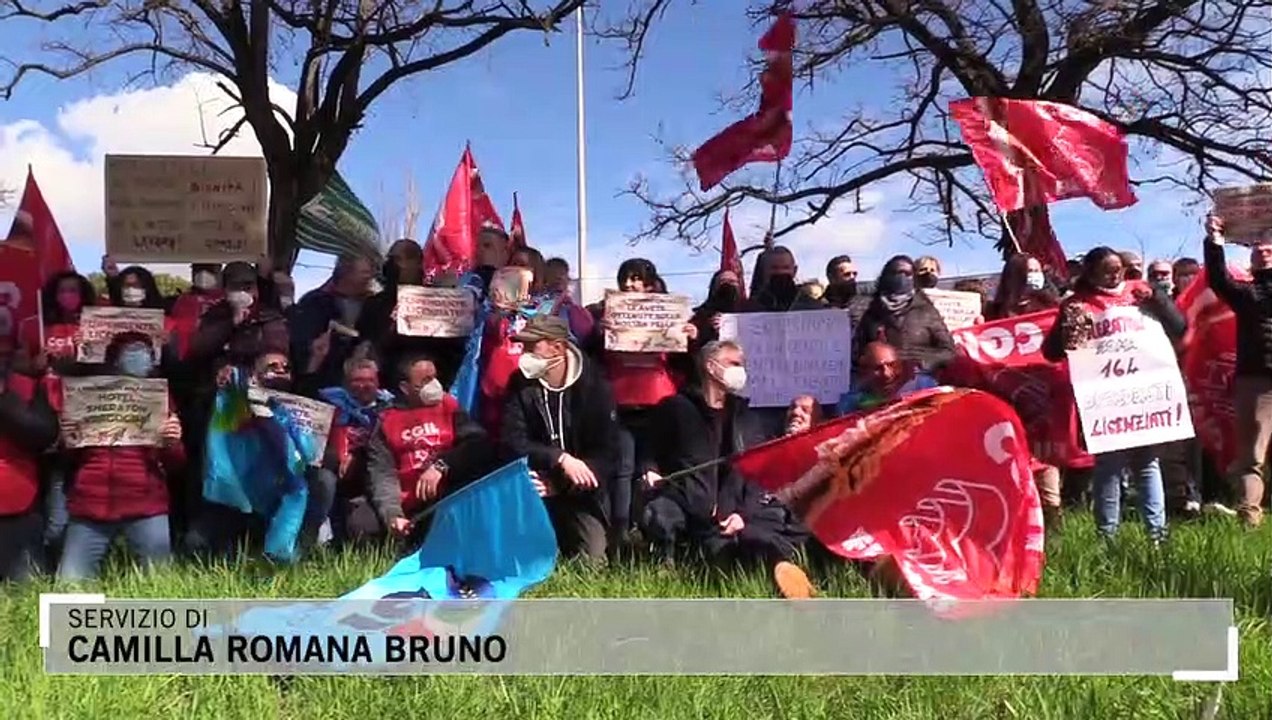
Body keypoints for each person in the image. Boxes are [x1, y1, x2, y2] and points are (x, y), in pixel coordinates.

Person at [641, 340, 813, 598]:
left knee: (732, 556)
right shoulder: (676, 409)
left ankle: (786, 578)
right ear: (711, 367)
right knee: (659, 513)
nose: (740, 370)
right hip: (687, 505)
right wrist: (649, 469)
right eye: (734, 364)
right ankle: (665, 567)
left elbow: (758, 473)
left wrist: (742, 515)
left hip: (730, 514)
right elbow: (649, 447)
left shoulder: (746, 417)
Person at [1041, 246, 1186, 541]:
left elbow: (1179, 327)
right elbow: (1052, 352)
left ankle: (1157, 536)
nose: (1115, 275)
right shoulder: (1078, 303)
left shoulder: (1140, 291)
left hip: (1143, 396)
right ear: (1091, 273)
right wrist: (1067, 324)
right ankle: (1107, 537)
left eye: (1118, 269)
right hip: (1106, 402)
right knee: (1109, 466)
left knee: (1147, 464)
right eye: (1107, 270)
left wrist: (1158, 300)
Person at [56, 332, 185, 580]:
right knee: (70, 587)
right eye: (132, 351)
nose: (139, 357)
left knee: (161, 587)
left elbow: (176, 465)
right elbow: (68, 459)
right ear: (115, 359)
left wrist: (172, 443)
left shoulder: (161, 400)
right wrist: (66, 438)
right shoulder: (85, 398)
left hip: (146, 505)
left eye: (145, 352)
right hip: (90, 505)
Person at [591, 259, 698, 551]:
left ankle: (661, 537)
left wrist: (690, 339)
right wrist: (598, 333)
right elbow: (591, 359)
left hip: (659, 405)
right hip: (621, 405)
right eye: (624, 278)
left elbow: (686, 366)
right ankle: (620, 537)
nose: (628, 284)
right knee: (623, 471)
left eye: (636, 278)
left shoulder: (669, 315)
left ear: (650, 284)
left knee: (656, 471)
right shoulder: (607, 313)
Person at [502, 314, 619, 561]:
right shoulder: (519, 383)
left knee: (592, 558)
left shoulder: (595, 386)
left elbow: (606, 455)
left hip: (581, 494)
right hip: (533, 483)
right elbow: (513, 440)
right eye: (524, 346)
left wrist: (561, 484)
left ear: (558, 348)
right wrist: (558, 459)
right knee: (519, 558)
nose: (526, 353)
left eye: (533, 347)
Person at [358, 355, 493, 542]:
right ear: (405, 388)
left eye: (434, 377)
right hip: (407, 499)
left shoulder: (449, 406)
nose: (434, 385)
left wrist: (441, 465)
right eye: (425, 381)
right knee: (362, 522)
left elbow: (476, 443)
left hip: (445, 493)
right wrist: (393, 514)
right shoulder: (386, 420)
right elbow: (382, 474)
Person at [1203, 215, 1272, 527]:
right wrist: (1214, 238)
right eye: (1257, 249)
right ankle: (1249, 519)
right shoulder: (1246, 295)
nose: (1263, 250)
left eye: (1269, 247)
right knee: (1252, 456)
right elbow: (1218, 279)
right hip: (1255, 381)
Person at [318, 353, 395, 542]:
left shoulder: (392, 407)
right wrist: (340, 454)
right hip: (336, 466)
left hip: (377, 466)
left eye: (370, 380)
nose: (364, 385)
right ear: (346, 383)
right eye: (357, 381)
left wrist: (357, 455)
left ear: (378, 382)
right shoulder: (330, 404)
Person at [0, 369, 58, 581]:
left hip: (19, 505)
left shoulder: (28, 387)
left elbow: (44, 435)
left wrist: (4, 399)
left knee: (26, 591)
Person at [853, 255, 956, 374]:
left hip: (919, 380)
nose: (902, 278)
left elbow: (948, 351)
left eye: (907, 274)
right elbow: (859, 353)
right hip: (881, 381)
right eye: (897, 273)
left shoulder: (925, 310)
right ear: (886, 276)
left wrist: (921, 362)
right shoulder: (871, 313)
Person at [289, 254, 377, 392]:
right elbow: (301, 343)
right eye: (364, 273)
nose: (369, 277)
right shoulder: (316, 302)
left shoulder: (372, 304)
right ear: (346, 272)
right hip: (324, 380)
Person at [15, 271, 96, 376]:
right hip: (46, 387)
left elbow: (103, 363)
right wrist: (33, 364)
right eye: (61, 291)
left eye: (73, 290)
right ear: (53, 294)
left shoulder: (94, 324)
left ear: (83, 294)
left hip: (82, 386)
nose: (67, 295)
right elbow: (17, 364)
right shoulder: (32, 325)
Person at [836, 341, 939, 415]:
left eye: (892, 365)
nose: (887, 374)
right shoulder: (850, 404)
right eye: (877, 368)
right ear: (865, 371)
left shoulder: (925, 387)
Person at [745, 246, 823, 312]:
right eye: (774, 268)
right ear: (764, 271)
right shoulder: (749, 309)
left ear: (795, 270)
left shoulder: (813, 308)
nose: (780, 272)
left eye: (786, 268)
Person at [986, 253, 1059, 320]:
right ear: (1015, 275)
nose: (1035, 275)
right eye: (1030, 271)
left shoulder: (1049, 306)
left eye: (1037, 271)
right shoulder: (994, 311)